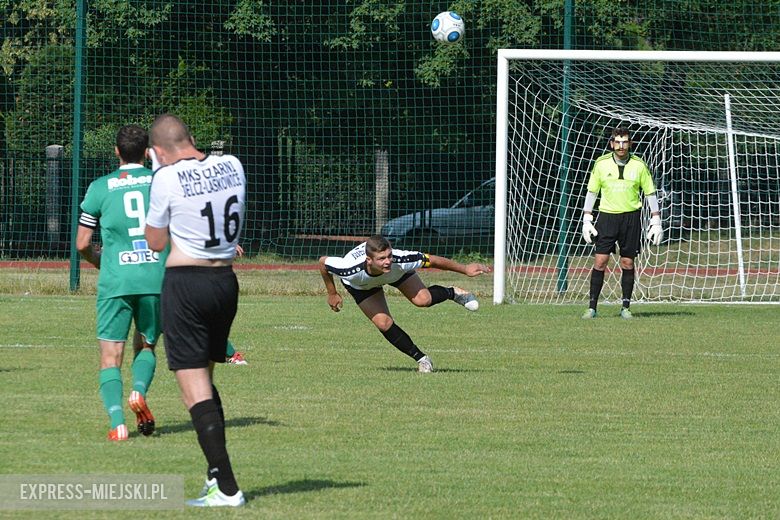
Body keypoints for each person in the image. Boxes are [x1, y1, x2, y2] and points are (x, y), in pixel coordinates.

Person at [145, 114, 247, 507]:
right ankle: (215, 476)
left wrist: (160, 173)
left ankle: (228, 489)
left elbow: (155, 242)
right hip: (225, 283)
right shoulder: (232, 164)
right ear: (189, 137)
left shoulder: (165, 177)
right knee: (205, 377)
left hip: (187, 284)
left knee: (193, 389)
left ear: (158, 151)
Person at [76, 124, 165, 441]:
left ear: (116, 151)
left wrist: (102, 262)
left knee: (110, 356)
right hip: (154, 277)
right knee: (147, 345)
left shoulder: (100, 187)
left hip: (116, 280)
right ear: (146, 152)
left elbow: (82, 243)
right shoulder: (161, 183)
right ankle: (138, 391)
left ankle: (118, 423)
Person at [319, 235, 491, 373]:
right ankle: (423, 360)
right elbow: (323, 263)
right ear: (369, 260)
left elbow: (433, 260)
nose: (387, 261)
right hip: (362, 286)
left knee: (423, 300)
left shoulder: (400, 260)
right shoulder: (349, 269)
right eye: (381, 258)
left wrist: (465, 269)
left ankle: (453, 293)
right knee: (383, 323)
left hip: (395, 275)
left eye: (389, 256)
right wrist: (332, 293)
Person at [580, 127, 663, 319]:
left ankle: (625, 307)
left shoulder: (639, 165)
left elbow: (650, 193)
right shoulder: (601, 164)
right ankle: (592, 307)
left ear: (630, 144)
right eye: (617, 142)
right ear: (611, 144)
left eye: (624, 142)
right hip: (607, 217)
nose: (621, 146)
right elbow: (592, 192)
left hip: (631, 218)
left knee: (627, 262)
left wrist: (656, 219)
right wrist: (587, 218)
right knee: (600, 261)